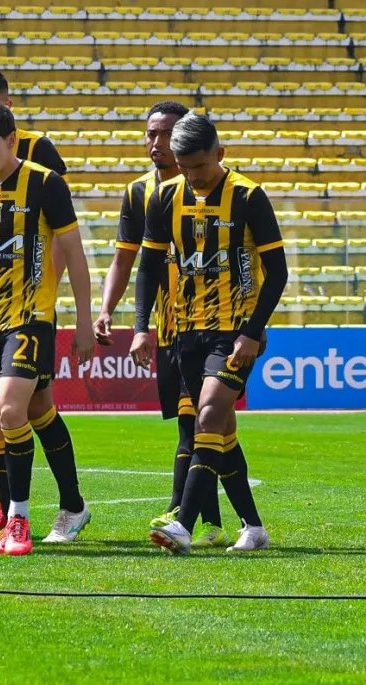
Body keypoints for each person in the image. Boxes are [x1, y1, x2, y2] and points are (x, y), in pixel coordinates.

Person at [0, 102, 95, 557]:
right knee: (13, 418)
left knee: (9, 411)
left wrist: (83, 321)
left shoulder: (45, 185)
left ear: (11, 141)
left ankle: (19, 520)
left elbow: (75, 254)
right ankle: (59, 509)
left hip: (30, 317)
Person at [132, 112, 287, 554]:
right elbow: (148, 267)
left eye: (200, 166)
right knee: (221, 431)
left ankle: (181, 522)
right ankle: (253, 528)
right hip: (185, 332)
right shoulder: (164, 198)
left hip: (234, 332)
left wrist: (252, 332)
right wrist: (142, 327)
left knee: (208, 415)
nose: (193, 176)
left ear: (220, 154)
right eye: (185, 167)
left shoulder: (249, 196)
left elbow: (277, 271)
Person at [93, 101, 229, 548]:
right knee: (191, 424)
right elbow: (128, 259)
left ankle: (183, 515)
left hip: (210, 324)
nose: (156, 143)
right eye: (150, 134)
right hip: (169, 327)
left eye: (166, 134)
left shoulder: (219, 190)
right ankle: (214, 522)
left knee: (197, 423)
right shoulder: (139, 193)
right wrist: (110, 309)